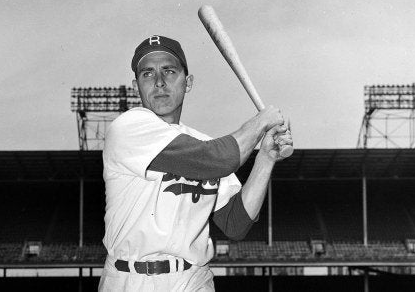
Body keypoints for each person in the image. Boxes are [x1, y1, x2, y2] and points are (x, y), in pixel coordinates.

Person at [100, 35, 292, 291]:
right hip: (131, 279)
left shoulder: (201, 144)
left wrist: (266, 158)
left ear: (187, 82)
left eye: (169, 71)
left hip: (192, 279)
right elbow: (219, 159)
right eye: (148, 74)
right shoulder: (127, 127)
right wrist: (260, 122)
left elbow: (236, 223)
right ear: (136, 85)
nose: (159, 82)